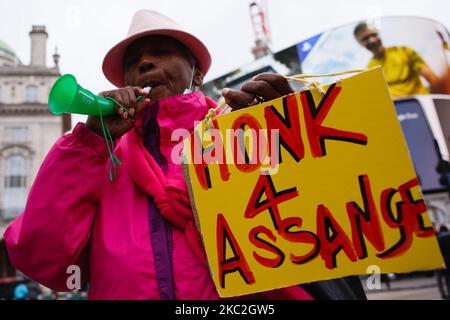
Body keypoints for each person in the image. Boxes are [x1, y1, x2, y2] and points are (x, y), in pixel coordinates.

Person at [4, 9, 365, 300]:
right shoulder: (98, 158)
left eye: (161, 52)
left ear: (196, 73)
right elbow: (43, 258)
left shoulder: (243, 135)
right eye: (134, 61)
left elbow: (325, 229)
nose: (145, 63)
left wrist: (289, 136)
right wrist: (89, 144)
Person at [354, 22, 442, 97]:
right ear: (360, 43)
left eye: (373, 35)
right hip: (395, 110)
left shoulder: (404, 51)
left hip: (421, 104)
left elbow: (432, 79)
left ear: (379, 34)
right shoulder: (369, 69)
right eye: (365, 39)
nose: (372, 40)